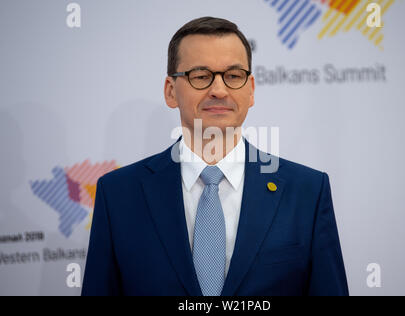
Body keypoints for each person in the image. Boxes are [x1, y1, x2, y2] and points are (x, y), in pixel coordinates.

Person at [81, 16, 348, 296]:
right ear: (171, 91)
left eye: (233, 76)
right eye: (200, 76)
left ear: (251, 89)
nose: (219, 90)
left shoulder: (307, 191)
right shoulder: (118, 194)